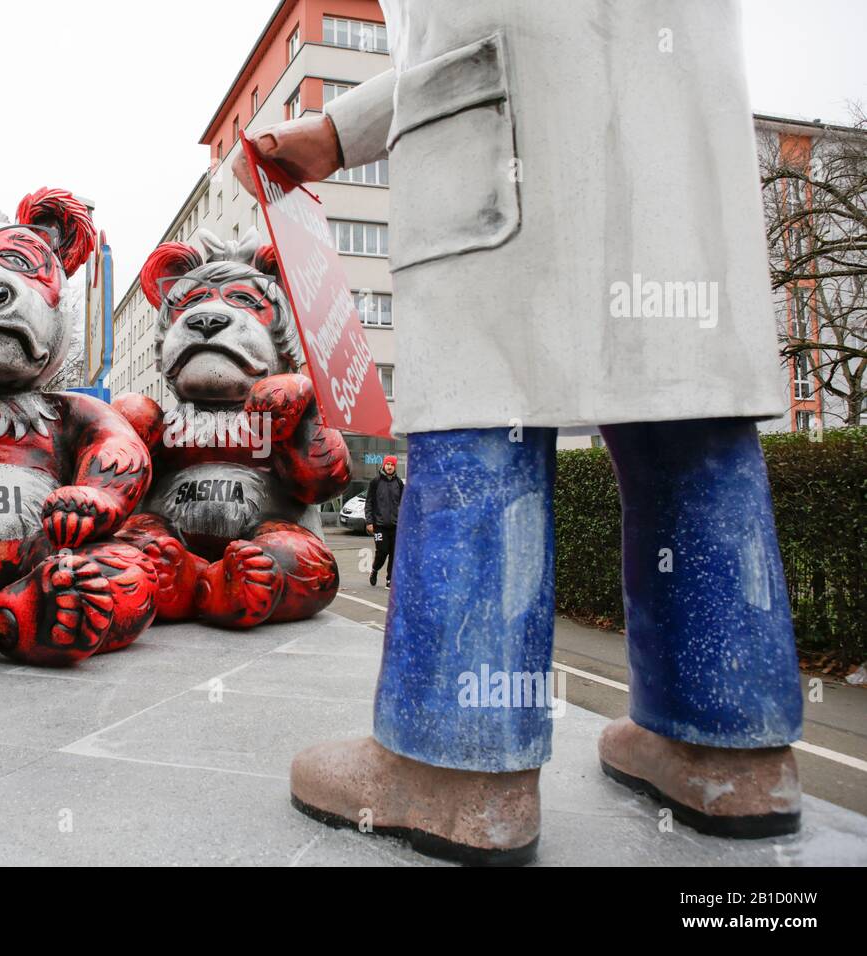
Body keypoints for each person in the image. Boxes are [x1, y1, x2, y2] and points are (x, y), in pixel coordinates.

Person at [235, 0, 802, 864]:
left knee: (486, 408)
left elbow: (477, 27)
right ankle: (726, 749)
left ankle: (457, 765)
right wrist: (341, 127)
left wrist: (341, 131)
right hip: (687, 149)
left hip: (506, 148)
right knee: (693, 417)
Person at [365, 455, 403, 588]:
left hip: (396, 526)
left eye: (392, 465)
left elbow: (403, 504)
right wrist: (369, 522)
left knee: (394, 553)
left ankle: (389, 579)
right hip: (379, 525)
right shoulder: (375, 482)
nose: (389, 467)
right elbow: (369, 502)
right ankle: (375, 570)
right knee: (382, 551)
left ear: (395, 467)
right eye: (388, 464)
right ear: (384, 465)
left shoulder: (399, 483)